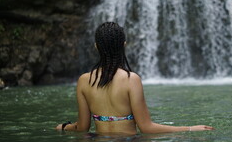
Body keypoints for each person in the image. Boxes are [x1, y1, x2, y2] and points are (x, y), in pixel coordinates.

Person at [56, 22, 214, 134]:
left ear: (96, 46)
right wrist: (190, 129)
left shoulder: (84, 80)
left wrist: (64, 127)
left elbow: (82, 127)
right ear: (124, 45)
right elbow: (147, 128)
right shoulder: (131, 79)